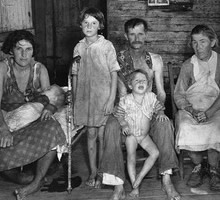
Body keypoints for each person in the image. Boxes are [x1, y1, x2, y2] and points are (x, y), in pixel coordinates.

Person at [99, 18, 180, 200]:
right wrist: (121, 117)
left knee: (165, 124)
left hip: (147, 110)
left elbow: (160, 92)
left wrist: (158, 112)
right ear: (126, 36)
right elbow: (113, 91)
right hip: (124, 109)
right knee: (111, 127)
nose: (136, 38)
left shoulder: (155, 60)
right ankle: (118, 185)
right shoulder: (117, 59)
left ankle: (167, 180)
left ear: (146, 35)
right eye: (132, 34)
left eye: (140, 34)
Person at [0, 30, 66, 200]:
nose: (23, 54)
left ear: (33, 51)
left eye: (28, 49)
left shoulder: (39, 69)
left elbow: (52, 97)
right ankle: (32, 176)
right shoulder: (3, 69)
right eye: (19, 49)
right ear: (11, 50)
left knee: (53, 127)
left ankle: (36, 182)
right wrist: (4, 129)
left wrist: (50, 109)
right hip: (8, 123)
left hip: (32, 121)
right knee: (18, 175)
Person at [71, 7, 119, 188]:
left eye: (94, 23)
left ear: (100, 26)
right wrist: (76, 99)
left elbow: (114, 73)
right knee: (90, 134)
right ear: (81, 25)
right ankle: (92, 170)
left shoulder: (107, 46)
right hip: (85, 98)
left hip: (102, 97)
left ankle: (101, 172)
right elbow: (75, 74)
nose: (89, 26)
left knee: (101, 135)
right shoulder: (79, 46)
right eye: (86, 23)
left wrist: (111, 99)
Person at [174, 24, 220, 191]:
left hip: (215, 108)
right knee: (186, 125)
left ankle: (214, 169)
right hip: (192, 108)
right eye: (194, 42)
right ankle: (198, 167)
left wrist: (209, 112)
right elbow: (179, 94)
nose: (198, 47)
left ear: (213, 42)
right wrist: (191, 110)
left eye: (203, 42)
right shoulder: (188, 65)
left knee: (216, 126)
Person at [116, 69, 160, 198]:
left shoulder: (151, 97)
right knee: (131, 156)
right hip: (132, 136)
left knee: (155, 153)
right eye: (137, 80)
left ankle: (139, 177)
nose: (141, 82)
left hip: (144, 136)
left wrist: (161, 113)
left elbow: (159, 107)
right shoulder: (126, 99)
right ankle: (135, 188)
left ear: (148, 84)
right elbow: (119, 115)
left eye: (144, 81)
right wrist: (123, 124)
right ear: (130, 85)